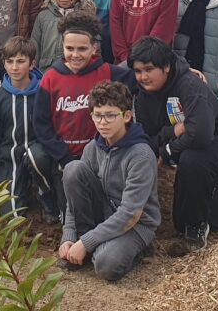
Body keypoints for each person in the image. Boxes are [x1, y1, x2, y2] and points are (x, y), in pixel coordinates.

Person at [130, 38, 218, 253]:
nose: (143, 77)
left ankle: (197, 226)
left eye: (149, 69)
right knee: (179, 221)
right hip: (188, 145)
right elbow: (148, 139)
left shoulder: (189, 84)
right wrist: (173, 131)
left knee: (192, 160)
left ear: (166, 67)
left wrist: (167, 150)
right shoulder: (143, 97)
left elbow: (201, 133)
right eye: (138, 71)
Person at [29, 11, 136, 223]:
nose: (75, 54)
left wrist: (184, 70)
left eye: (82, 49)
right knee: (35, 157)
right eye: (70, 48)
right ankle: (47, 197)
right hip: (61, 153)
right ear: (62, 46)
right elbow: (40, 123)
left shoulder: (107, 72)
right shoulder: (51, 77)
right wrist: (62, 155)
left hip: (96, 153)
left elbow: (143, 75)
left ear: (94, 48)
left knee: (90, 209)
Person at [58, 81, 159, 280]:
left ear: (127, 116)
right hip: (103, 214)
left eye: (111, 115)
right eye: (98, 115)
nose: (103, 122)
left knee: (106, 265)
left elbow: (130, 214)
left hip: (135, 224)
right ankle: (88, 243)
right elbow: (73, 200)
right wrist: (69, 236)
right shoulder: (91, 148)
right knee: (73, 169)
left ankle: (135, 248)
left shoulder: (141, 155)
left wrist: (86, 243)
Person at [0, 36, 43, 214]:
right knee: (11, 214)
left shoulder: (43, 92)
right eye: (10, 62)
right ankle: (20, 190)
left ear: (32, 64)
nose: (15, 67)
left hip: (37, 156)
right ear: (4, 64)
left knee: (39, 161)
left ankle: (43, 193)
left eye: (21, 61)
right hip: (10, 159)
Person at [30, 0, 96, 68]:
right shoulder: (43, 16)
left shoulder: (85, 16)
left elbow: (95, 47)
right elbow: (34, 47)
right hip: (46, 72)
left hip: (77, 71)